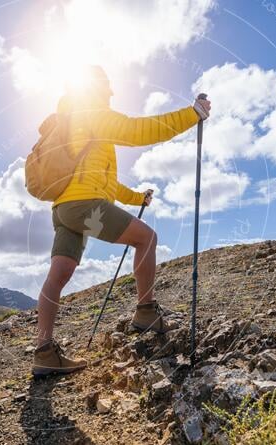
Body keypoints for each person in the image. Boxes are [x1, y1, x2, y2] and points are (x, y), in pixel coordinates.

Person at [32, 65, 211, 377]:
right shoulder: (91, 113)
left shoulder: (71, 124)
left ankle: (43, 351)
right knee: (147, 238)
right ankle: (145, 312)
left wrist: (137, 198)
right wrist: (191, 114)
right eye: (106, 89)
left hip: (64, 210)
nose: (108, 95)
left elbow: (106, 186)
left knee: (58, 274)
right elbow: (138, 130)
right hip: (84, 205)